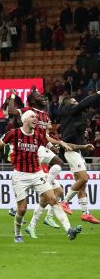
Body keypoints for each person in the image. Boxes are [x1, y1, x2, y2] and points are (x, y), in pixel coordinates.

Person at [0, 110, 83, 243]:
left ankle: (69, 230)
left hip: (37, 174)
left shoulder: (38, 135)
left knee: (53, 199)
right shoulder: (14, 133)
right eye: (32, 117)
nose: (35, 119)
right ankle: (17, 233)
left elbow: (49, 142)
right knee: (22, 209)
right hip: (20, 175)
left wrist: (58, 145)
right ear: (25, 120)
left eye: (35, 117)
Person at [7, 89, 73, 224]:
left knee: (50, 173)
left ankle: (15, 208)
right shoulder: (28, 110)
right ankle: (44, 184)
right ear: (32, 100)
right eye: (38, 96)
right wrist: (13, 95)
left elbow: (44, 135)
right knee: (58, 163)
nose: (42, 97)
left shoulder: (44, 115)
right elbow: (11, 111)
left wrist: (51, 145)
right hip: (32, 146)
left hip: (41, 146)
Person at [57, 91, 100, 224]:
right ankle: (64, 202)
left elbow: (83, 107)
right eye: (74, 101)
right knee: (83, 178)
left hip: (77, 151)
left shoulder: (75, 116)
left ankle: (85, 213)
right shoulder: (68, 111)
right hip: (71, 150)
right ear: (68, 104)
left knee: (82, 184)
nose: (77, 103)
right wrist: (98, 93)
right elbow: (84, 103)